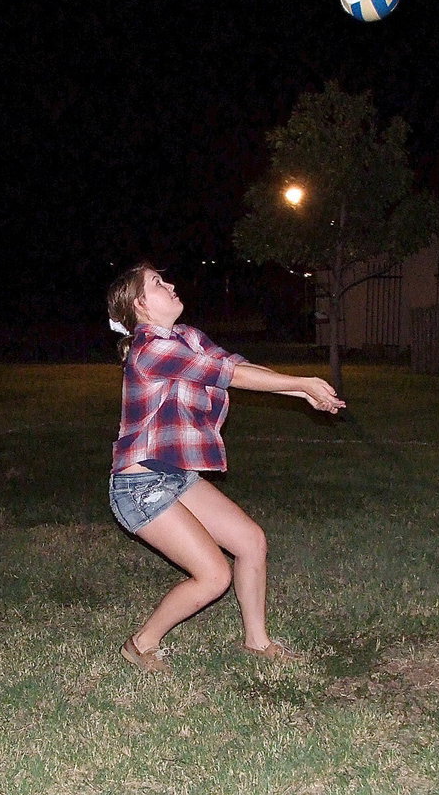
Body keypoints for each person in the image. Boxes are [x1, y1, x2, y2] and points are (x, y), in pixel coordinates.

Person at [107, 262, 345, 673]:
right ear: (140, 304)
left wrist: (298, 390)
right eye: (158, 284)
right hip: (139, 486)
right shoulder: (150, 348)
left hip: (174, 477)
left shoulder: (187, 337)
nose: (171, 284)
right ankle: (141, 644)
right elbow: (226, 375)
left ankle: (257, 642)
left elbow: (239, 366)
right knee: (213, 576)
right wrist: (304, 382)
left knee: (251, 541)